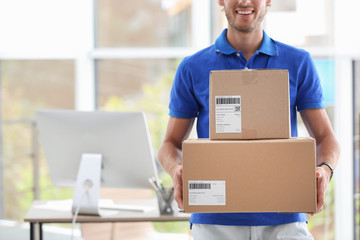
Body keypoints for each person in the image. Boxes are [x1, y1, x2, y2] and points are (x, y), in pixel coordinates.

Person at [157, 0, 340, 239]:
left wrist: (325, 170)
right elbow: (169, 144)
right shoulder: (192, 68)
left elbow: (326, 138)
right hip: (215, 222)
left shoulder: (298, 62)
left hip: (284, 218)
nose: (244, 1)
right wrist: (177, 170)